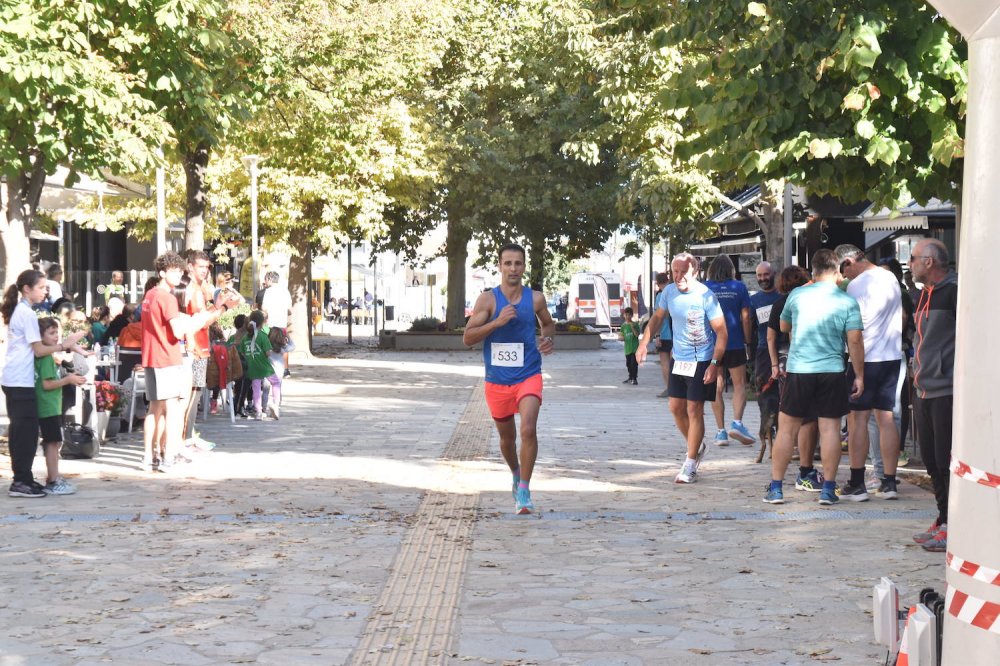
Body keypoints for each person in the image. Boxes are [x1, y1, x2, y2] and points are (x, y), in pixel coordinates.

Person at [763, 249, 864, 506]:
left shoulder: (797, 295)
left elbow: (784, 327)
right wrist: (859, 375)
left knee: (787, 429)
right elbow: (854, 339)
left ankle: (776, 488)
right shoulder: (846, 301)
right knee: (829, 429)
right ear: (837, 270)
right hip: (831, 369)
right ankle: (828, 489)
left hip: (799, 369)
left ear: (814, 270)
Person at [462, 243, 555, 514]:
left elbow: (548, 323)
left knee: (528, 429)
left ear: (524, 266)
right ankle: (516, 472)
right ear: (500, 266)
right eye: (508, 263)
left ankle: (524, 490)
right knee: (507, 438)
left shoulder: (536, 299)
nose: (513, 268)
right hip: (497, 380)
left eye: (518, 263)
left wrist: (547, 339)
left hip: (529, 374)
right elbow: (468, 338)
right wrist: (496, 323)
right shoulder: (488, 300)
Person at [637, 252, 727, 484]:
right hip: (680, 359)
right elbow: (657, 319)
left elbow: (722, 332)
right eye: (674, 272)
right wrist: (644, 342)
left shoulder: (706, 296)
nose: (678, 276)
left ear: (695, 272)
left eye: (683, 272)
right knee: (675, 407)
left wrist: (715, 364)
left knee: (694, 409)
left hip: (703, 358)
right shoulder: (668, 292)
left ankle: (689, 464)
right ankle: (696, 446)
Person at [2, 270, 87, 497]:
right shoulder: (26, 313)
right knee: (24, 433)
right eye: (40, 287)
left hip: (19, 379)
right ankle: (21, 481)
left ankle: (24, 479)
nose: (45, 291)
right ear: (27, 289)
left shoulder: (24, 311)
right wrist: (64, 345)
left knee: (25, 432)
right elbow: (39, 350)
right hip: (19, 380)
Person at [141, 251, 228, 471]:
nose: (179, 275)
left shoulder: (150, 295)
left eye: (180, 270)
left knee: (154, 409)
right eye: (174, 271)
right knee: (173, 409)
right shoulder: (167, 297)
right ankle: (168, 457)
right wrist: (200, 318)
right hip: (167, 356)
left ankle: (148, 457)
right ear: (162, 272)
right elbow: (178, 330)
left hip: (151, 355)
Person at [834, 244, 904, 501]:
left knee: (857, 421)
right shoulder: (890, 277)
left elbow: (855, 333)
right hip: (891, 356)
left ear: (850, 261)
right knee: (885, 417)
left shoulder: (856, 286)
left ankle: (856, 482)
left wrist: (858, 372)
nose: (843, 276)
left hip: (865, 359)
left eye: (843, 269)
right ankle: (889, 481)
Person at [908, 239, 956, 553]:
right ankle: (942, 519)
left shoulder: (954, 293)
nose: (909, 263)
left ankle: (954, 525)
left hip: (946, 389)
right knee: (929, 460)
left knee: (944, 460)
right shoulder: (923, 295)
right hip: (922, 388)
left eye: (912, 258)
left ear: (929, 261)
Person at [767, 266, 822, 490]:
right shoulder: (810, 300)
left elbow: (771, 337)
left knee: (788, 422)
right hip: (806, 362)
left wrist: (773, 364)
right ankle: (806, 471)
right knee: (809, 420)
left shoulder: (780, 303)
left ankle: (777, 483)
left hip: (784, 362)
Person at [704, 254, 754, 446]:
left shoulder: (706, 288)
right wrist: (747, 341)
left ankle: (721, 431)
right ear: (731, 269)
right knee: (740, 384)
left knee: (715, 387)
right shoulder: (739, 287)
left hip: (713, 345)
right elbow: (746, 317)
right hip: (734, 342)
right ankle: (737, 423)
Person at [35, 318, 88, 494]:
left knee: (55, 441)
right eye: (51, 333)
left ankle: (54, 476)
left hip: (50, 405)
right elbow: (47, 384)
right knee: (52, 442)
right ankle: (53, 479)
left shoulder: (48, 357)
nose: (56, 336)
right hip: (47, 405)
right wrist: (68, 379)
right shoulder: (46, 360)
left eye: (56, 332)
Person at [750, 261, 781, 413]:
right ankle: (768, 427)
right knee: (764, 392)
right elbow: (751, 326)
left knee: (783, 392)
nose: (763, 278)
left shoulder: (782, 297)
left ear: (773, 274)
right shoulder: (754, 300)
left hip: (783, 349)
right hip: (763, 350)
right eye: (759, 275)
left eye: (766, 274)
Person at [238, 310, 280, 420]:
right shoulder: (262, 336)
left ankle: (258, 412)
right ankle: (275, 404)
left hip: (252, 366)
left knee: (256, 388)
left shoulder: (245, 337)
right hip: (264, 366)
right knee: (276, 382)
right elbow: (268, 352)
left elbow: (242, 352)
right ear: (262, 323)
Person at [259, 271, 293, 377]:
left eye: (266, 279)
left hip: (270, 324)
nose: (265, 282)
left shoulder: (268, 292)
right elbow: (289, 310)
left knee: (268, 346)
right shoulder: (285, 291)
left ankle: (269, 367)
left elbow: (264, 308)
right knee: (284, 345)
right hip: (282, 323)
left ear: (270, 279)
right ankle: (285, 369)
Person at [652, 271, 673, 399]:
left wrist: (657, 335)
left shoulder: (660, 296)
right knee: (675, 362)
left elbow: (658, 318)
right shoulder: (675, 293)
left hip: (665, 334)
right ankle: (679, 388)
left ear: (658, 283)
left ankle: (669, 388)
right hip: (677, 334)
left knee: (665, 362)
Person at [618, 307, 640, 384]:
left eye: (629, 315)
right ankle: (630, 377)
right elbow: (621, 336)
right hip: (627, 348)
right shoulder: (623, 326)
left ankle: (634, 378)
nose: (627, 317)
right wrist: (621, 338)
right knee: (628, 364)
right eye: (626, 315)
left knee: (634, 364)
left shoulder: (635, 324)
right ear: (624, 315)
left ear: (632, 315)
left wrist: (633, 327)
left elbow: (637, 335)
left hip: (635, 348)